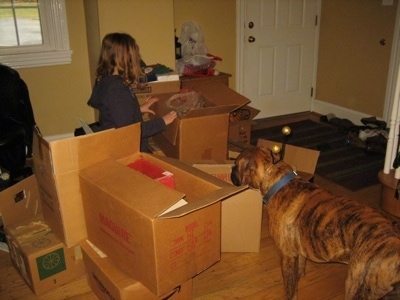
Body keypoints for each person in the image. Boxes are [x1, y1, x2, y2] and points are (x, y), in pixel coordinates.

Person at [87, 32, 177, 152]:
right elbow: (130, 131)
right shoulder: (116, 89)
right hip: (127, 149)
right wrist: (162, 121)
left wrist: (138, 109)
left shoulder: (105, 80)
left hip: (115, 142)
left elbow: (115, 113)